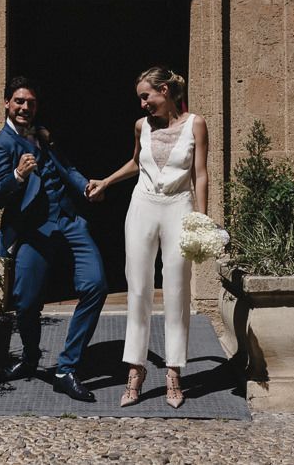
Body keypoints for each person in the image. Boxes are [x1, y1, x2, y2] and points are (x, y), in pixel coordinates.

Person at [86, 67, 208, 408]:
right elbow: (137, 163)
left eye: (146, 96)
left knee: (176, 289)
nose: (142, 104)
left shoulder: (196, 123)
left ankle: (173, 373)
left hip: (179, 208)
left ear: (164, 90)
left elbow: (200, 173)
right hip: (142, 207)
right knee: (138, 288)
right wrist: (107, 182)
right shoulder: (142, 126)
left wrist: (201, 216)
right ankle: (135, 371)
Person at [0, 76, 108, 402]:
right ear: (7, 104)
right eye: (19, 102)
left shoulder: (43, 136)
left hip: (68, 222)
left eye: (31, 102)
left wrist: (85, 187)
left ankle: (67, 368)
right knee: (25, 302)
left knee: (95, 284)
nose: (26, 107)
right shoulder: (1, 145)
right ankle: (29, 358)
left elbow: (66, 168)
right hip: (33, 232)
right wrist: (17, 175)